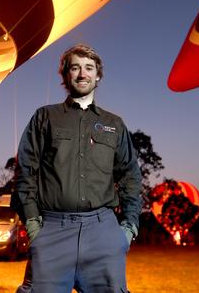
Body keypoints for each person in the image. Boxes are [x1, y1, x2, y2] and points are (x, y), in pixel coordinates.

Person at [14, 44, 142, 292]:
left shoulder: (114, 124)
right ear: (65, 75)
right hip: (53, 230)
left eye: (89, 68)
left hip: (103, 232)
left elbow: (130, 176)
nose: (82, 74)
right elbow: (25, 171)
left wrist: (128, 229)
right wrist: (33, 225)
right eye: (75, 68)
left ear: (98, 76)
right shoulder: (45, 117)